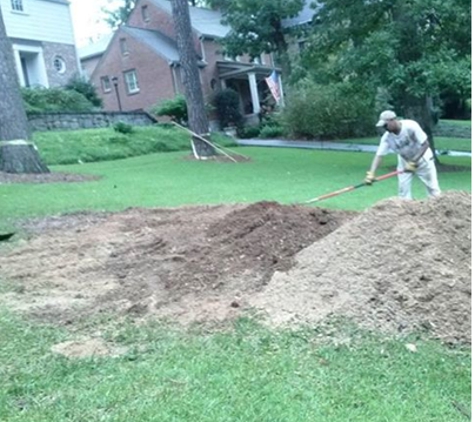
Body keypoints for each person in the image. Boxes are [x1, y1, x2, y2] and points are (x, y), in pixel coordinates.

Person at [365, 110, 441, 199]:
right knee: (403, 191)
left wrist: (413, 162)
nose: (384, 128)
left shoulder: (411, 126)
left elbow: (425, 144)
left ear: (393, 120)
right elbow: (379, 156)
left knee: (433, 189)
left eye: (385, 125)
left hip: (423, 159)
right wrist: (371, 173)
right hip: (404, 161)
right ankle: (407, 209)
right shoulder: (387, 138)